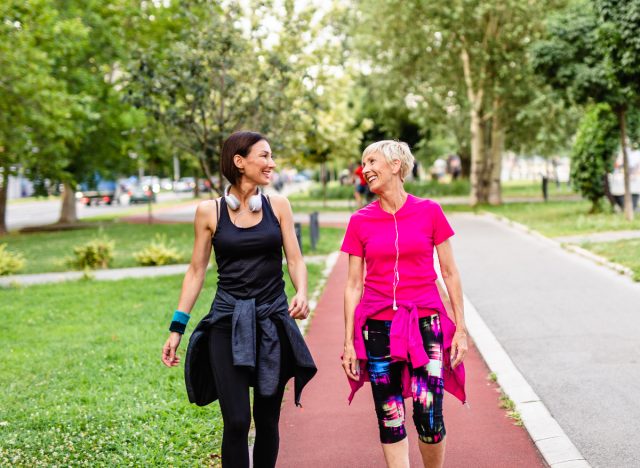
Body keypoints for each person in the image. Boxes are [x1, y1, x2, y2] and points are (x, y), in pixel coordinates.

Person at [161, 131, 317, 468]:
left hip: (272, 321)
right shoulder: (209, 211)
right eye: (264, 156)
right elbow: (195, 271)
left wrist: (301, 292)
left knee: (267, 420)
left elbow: (295, 259)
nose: (271, 163)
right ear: (239, 161)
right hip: (226, 322)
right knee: (235, 421)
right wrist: (177, 328)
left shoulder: (279, 206)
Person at [341, 140, 467, 468]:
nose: (365, 169)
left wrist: (461, 329)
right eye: (363, 163)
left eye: (372, 161)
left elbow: (450, 273)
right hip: (377, 327)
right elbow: (353, 285)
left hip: (426, 324)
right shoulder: (360, 221)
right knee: (390, 415)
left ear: (396, 165)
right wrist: (349, 342)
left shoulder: (430, 211)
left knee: (429, 416)